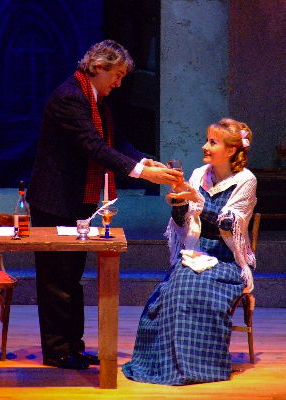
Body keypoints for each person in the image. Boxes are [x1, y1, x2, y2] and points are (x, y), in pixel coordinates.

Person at [27, 40, 182, 370]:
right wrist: (143, 174)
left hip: (76, 202)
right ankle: (58, 351)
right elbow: (93, 147)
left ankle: (73, 346)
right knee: (57, 281)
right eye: (117, 74)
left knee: (71, 279)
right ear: (98, 67)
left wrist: (147, 161)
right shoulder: (70, 97)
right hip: (55, 202)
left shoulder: (93, 99)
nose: (119, 82)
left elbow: (116, 143)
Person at [122, 118, 257, 385]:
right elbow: (183, 223)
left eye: (212, 142)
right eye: (206, 140)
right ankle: (166, 365)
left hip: (226, 261)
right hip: (194, 254)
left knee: (188, 285)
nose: (204, 146)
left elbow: (230, 224)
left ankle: (198, 367)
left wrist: (196, 199)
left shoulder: (245, 180)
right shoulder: (199, 174)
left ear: (230, 150)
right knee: (166, 295)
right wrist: (178, 203)